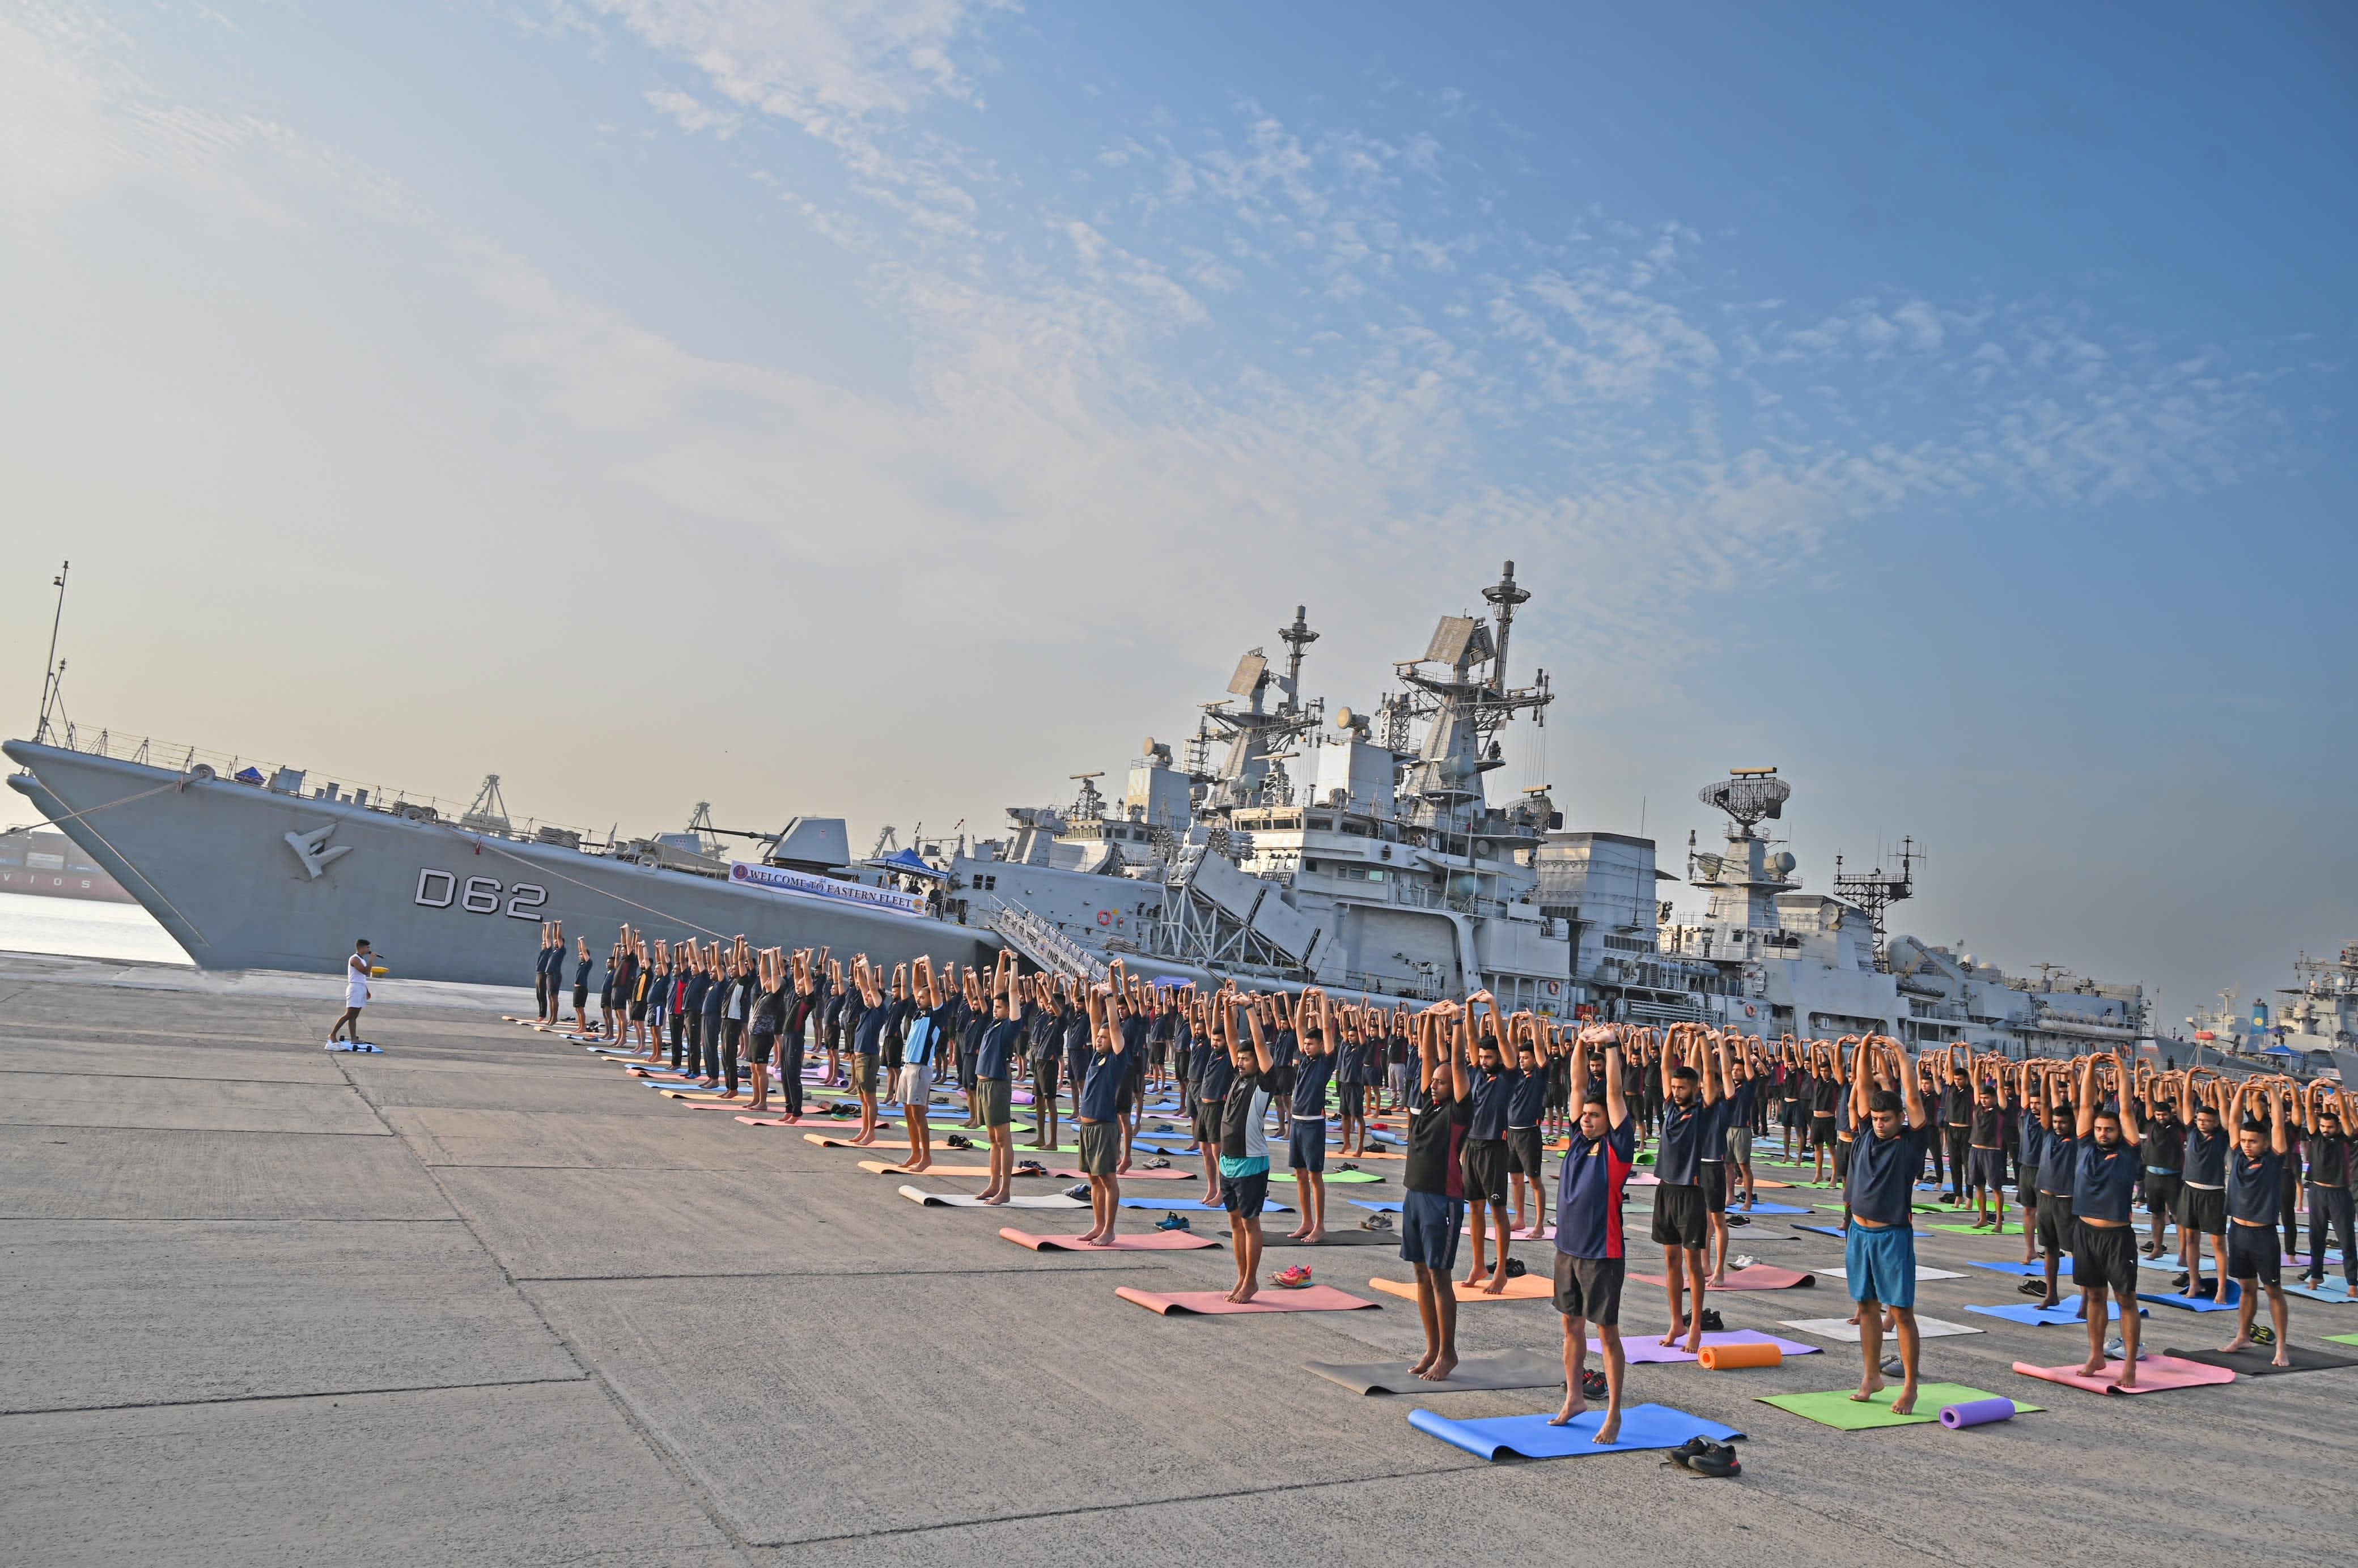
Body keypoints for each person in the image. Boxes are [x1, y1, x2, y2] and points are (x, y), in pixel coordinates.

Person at [1549, 1024, 1634, 1441]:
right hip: (1568, 1249)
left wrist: (1613, 1046)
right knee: (1570, 1326)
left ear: (1609, 1121)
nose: (1586, 1118)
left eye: (1594, 1115)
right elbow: (1578, 1081)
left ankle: (1614, 1412)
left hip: (1603, 1252)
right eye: (1584, 1114)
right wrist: (1582, 1043)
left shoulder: (1618, 1146)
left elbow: (1613, 1094)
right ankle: (1575, 1397)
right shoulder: (1577, 1137)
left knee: (1607, 1333)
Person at [1843, 1035, 1929, 1413]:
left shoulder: (1911, 1142)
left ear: (1900, 1120)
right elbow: (1863, 1086)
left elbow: (1912, 1097)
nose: (1879, 1124)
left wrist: (1899, 1053)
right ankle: (1871, 1375)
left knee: (1902, 1310)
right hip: (1859, 1233)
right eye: (1876, 1118)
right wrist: (1862, 1048)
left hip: (1892, 1235)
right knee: (1865, 1307)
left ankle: (1909, 1386)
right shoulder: (1865, 1132)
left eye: (1886, 1119)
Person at [1401, 1005, 1472, 1380]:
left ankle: (1448, 1352)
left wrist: (1458, 1021)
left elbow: (1455, 1063)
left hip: (1442, 1199)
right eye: (1434, 1081)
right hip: (1415, 1194)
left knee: (1440, 1275)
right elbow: (1429, 1056)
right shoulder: (1429, 1103)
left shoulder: (1459, 1111)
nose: (1435, 1084)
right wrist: (1429, 1018)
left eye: (1442, 1082)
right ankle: (1431, 1346)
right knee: (1420, 1272)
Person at [2069, 1051, 2145, 1387]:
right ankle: (2096, 1355)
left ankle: (2129, 1362)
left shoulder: (2129, 1151)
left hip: (2117, 1237)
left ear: (2119, 1132)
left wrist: (2120, 1069)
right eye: (2099, 1129)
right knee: (2095, 1297)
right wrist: (2088, 1069)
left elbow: (2126, 1109)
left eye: (2108, 1129)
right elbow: (2085, 1107)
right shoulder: (2085, 1146)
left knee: (2126, 1300)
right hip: (2085, 1233)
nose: (2102, 1133)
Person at [1652, 1024, 1720, 1353]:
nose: (1677, 1091)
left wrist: (1703, 1039)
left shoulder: (1703, 1110)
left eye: (1683, 1087)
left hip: (1691, 1193)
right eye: (1675, 1087)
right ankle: (1676, 1320)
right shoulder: (1669, 1107)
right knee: (1670, 1261)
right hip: (1665, 1189)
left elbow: (1707, 1070)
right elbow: (1666, 1066)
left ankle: (1695, 1328)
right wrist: (1672, 1034)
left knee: (1693, 1264)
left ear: (1695, 1089)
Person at [2219, 1078, 2292, 1367]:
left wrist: (2272, 1093)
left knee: (2273, 1291)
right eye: (2245, 1141)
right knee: (2247, 1288)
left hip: (2263, 1236)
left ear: (2265, 1144)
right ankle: (2242, 1336)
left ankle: (2282, 1347)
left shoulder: (2274, 1160)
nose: (2247, 1145)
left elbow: (2277, 1127)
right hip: (2237, 1232)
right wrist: (2241, 1091)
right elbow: (2235, 1119)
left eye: (2253, 1142)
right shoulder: (2237, 1155)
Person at [1216, 992, 1276, 1301]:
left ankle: (1251, 1280)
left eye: (1246, 1057)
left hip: (1251, 1162)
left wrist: (1250, 1009)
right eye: (1239, 1057)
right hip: (1228, 1160)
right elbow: (1231, 1038)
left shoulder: (1262, 1081)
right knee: (1235, 1223)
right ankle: (1241, 1278)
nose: (1240, 1061)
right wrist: (1227, 1007)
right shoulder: (1239, 1075)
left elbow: (1260, 1044)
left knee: (1250, 1223)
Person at [1458, 993, 1516, 1295]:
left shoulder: (1508, 1075)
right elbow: (1470, 1038)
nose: (1483, 1061)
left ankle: (1502, 1270)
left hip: (1494, 1147)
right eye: (1481, 1057)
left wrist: (1493, 1007)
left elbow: (1504, 1043)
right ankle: (1478, 1264)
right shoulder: (1476, 1072)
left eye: (1488, 1057)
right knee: (1475, 1208)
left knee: (1497, 1210)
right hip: (1473, 1145)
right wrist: (1468, 1007)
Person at [1072, 978, 1131, 1243]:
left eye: (1103, 1038)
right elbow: (1097, 1023)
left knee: (1107, 1179)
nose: (1098, 1039)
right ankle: (1097, 1225)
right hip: (1087, 1127)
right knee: (1093, 1180)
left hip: (1104, 1126)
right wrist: (1094, 995)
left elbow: (1113, 1027)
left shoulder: (1118, 1059)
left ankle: (1109, 1229)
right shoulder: (1097, 1055)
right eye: (1097, 1037)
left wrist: (1109, 997)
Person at [1285, 988, 1336, 1243]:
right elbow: (1298, 1025)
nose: (1306, 1046)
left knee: (1315, 1176)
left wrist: (1323, 999)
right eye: (1305, 1043)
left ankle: (1320, 1224)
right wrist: (1304, 999)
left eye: (1310, 1043)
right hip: (1296, 1121)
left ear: (1320, 1046)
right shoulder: (1305, 1059)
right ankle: (1306, 1221)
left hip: (1313, 1125)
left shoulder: (1325, 1061)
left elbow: (1326, 1028)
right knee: (1300, 1174)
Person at [972, 952, 1022, 1205]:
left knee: (1003, 1139)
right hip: (984, 1084)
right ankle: (993, 1184)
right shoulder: (994, 1023)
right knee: (992, 1139)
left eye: (999, 1007)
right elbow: (998, 990)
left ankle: (1005, 1189)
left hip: (997, 1084)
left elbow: (1010, 990)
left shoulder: (1010, 1025)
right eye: (995, 1006)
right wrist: (1000, 960)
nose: (995, 1009)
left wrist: (1013, 961)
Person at [2295, 1087, 2355, 1295]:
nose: (2326, 1129)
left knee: (2347, 1240)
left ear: (2337, 1126)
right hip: (2318, 1192)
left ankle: (2353, 1283)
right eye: (2323, 1126)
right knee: (2316, 1238)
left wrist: (2338, 1091)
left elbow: (2346, 1116)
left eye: (2330, 1126)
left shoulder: (2346, 1138)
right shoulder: (2316, 1136)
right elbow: (2309, 1112)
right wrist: (2311, 1089)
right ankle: (2316, 1277)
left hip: (2340, 1194)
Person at [2178, 1072, 2230, 1299]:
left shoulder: (2223, 1135)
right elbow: (2187, 1101)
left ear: (2216, 1122)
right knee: (2191, 1239)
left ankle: (2221, 1287)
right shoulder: (2192, 1130)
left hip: (2213, 1194)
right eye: (2200, 1120)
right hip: (2190, 1191)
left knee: (2218, 1243)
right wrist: (2189, 1076)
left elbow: (2227, 1111)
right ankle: (2194, 1282)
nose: (2202, 1124)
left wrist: (2218, 1083)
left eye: (2208, 1121)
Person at [2032, 1069, 2080, 1312]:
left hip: (2067, 1202)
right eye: (2057, 1121)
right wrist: (2047, 1077)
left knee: (2076, 1252)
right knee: (2049, 1250)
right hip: (2046, 1199)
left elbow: (2079, 1103)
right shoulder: (2049, 1133)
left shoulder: (2080, 1138)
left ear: (2072, 1122)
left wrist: (2071, 1078)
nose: (2059, 1125)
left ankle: (2085, 1299)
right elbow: (2047, 1104)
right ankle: (2052, 1295)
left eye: (2064, 1122)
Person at [1504, 1021, 1552, 1240]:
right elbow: (1511, 1045)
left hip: (1529, 1134)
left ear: (1534, 1059)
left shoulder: (1540, 1076)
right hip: (1512, 1133)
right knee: (1515, 1179)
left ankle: (1539, 1225)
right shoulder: (1516, 1074)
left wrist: (1533, 1022)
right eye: (1521, 1057)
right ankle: (1520, 1219)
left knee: (1534, 1180)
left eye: (1526, 1057)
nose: (1522, 1060)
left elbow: (1541, 1049)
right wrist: (1514, 1023)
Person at [328, 938, 374, 1044]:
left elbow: (361, 978)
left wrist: (366, 990)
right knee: (349, 1014)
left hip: (361, 987)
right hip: (354, 989)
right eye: (367, 947)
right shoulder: (355, 959)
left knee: (354, 1016)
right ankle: (333, 1034)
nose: (369, 949)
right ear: (361, 948)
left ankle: (354, 1039)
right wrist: (372, 960)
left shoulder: (361, 959)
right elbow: (366, 972)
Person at [570, 937, 592, 1036]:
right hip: (577, 988)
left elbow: (583, 951)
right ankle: (580, 1026)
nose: (579, 956)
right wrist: (578, 942)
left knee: (581, 1009)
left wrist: (582, 941)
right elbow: (581, 950)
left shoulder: (588, 964)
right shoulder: (582, 964)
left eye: (581, 955)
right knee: (577, 1009)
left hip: (582, 988)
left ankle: (583, 1027)